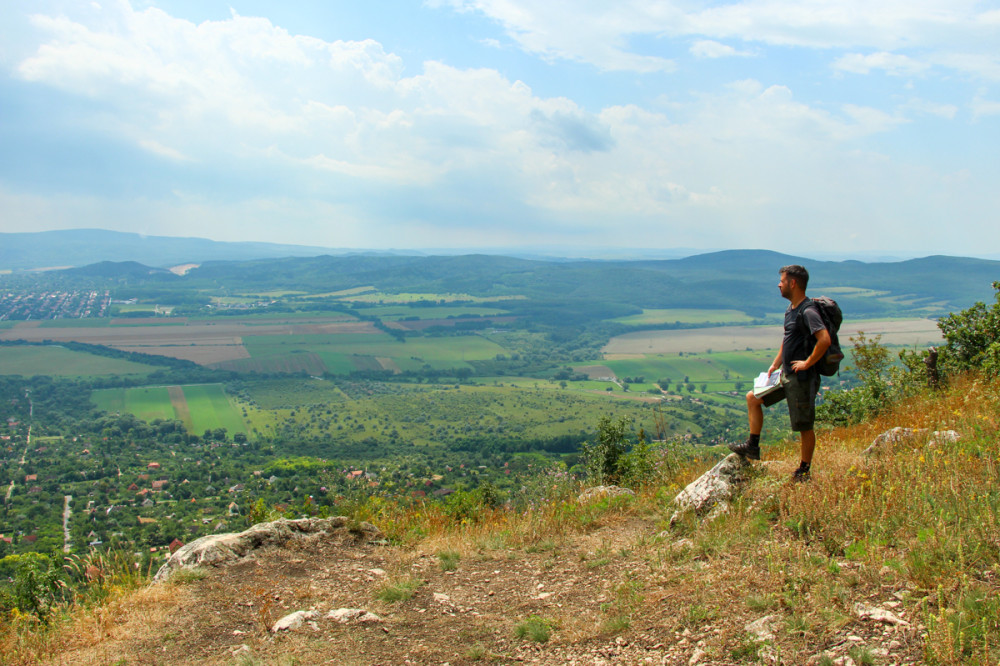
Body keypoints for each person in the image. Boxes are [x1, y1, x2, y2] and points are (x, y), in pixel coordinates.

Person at [729, 265, 830, 481]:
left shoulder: (808, 311)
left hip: (802, 378)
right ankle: (752, 446)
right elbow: (788, 340)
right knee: (753, 398)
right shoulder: (791, 310)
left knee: (804, 425)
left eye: (782, 281)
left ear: (793, 283)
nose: (779, 284)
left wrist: (807, 363)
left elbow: (824, 340)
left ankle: (804, 470)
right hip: (785, 374)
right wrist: (775, 363)